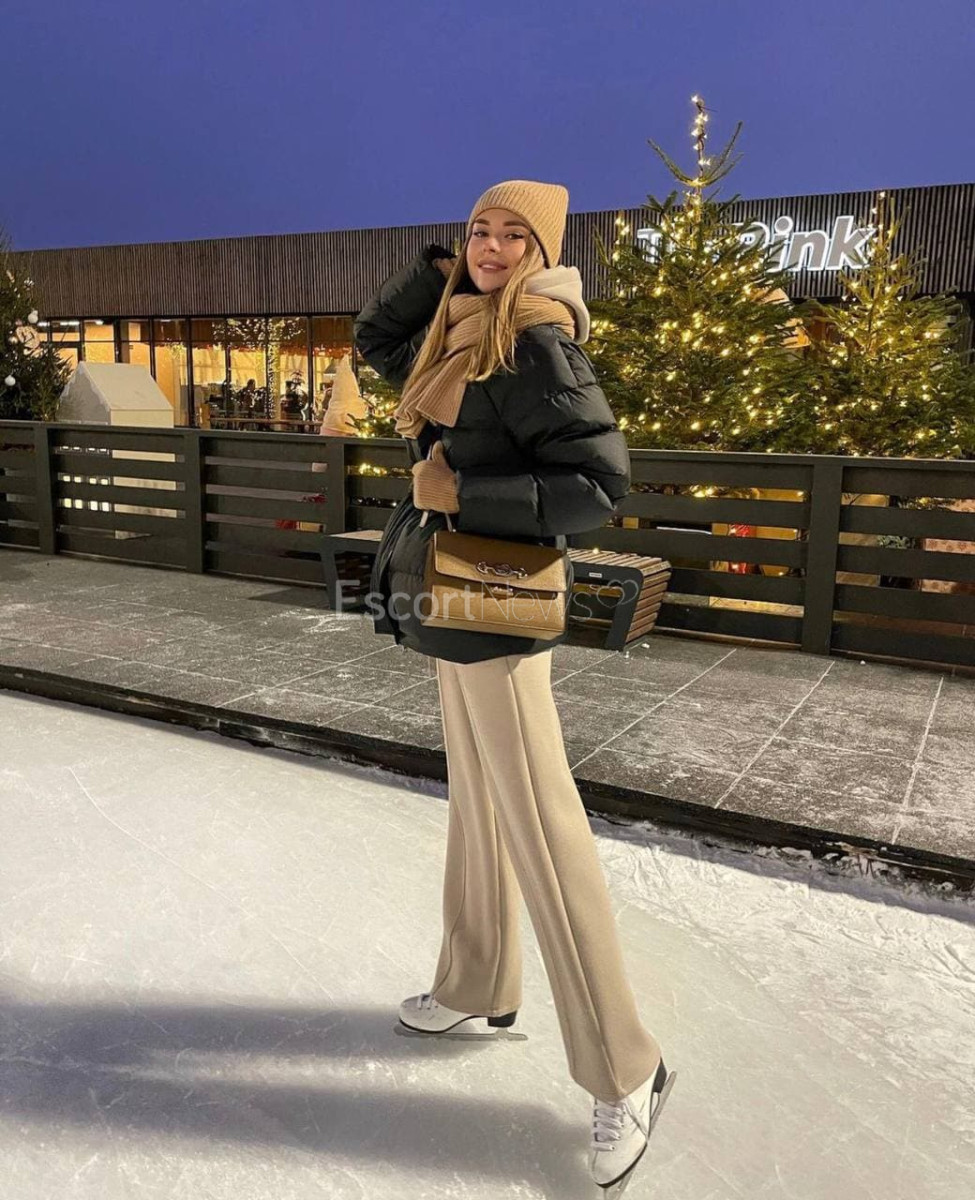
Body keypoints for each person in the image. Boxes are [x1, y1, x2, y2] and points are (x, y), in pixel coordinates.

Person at [353, 180, 673, 1191]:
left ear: (544, 250)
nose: (492, 247)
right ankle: (477, 980)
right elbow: (373, 343)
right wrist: (435, 274)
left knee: (538, 819)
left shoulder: (536, 342)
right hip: (454, 598)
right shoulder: (460, 327)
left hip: (498, 601)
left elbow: (598, 485)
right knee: (480, 803)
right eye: (480, 231)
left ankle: (628, 1065)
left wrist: (465, 491)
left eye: (512, 235)